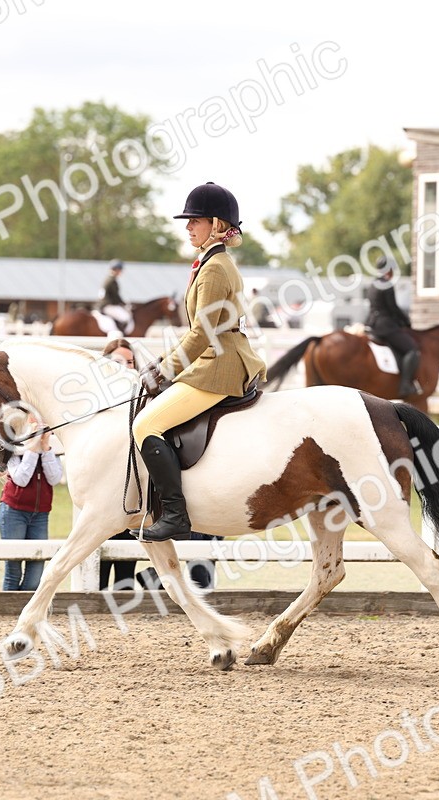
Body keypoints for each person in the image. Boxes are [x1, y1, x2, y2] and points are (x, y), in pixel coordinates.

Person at [132, 181, 266, 542]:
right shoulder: (211, 262)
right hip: (214, 358)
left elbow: (202, 334)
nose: (188, 226)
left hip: (218, 367)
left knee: (145, 425)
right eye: (188, 221)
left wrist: (165, 371)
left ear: (217, 224)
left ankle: (175, 513)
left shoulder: (215, 268)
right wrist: (161, 360)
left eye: (196, 220)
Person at [0, 417, 63, 591]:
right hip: (13, 512)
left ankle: (24, 611)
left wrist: (46, 446)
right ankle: (9, 612)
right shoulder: (13, 447)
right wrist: (33, 447)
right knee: (13, 570)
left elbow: (54, 478)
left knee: (36, 572)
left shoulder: (52, 449)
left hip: (40, 514)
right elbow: (21, 479)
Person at [99, 338, 140, 590]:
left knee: (127, 566)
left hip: (132, 488)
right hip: (104, 490)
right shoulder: (97, 402)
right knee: (99, 564)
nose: (125, 367)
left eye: (130, 362)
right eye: (118, 362)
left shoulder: (141, 397)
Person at [365, 256, 420, 398]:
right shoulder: (387, 284)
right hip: (385, 326)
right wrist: (405, 320)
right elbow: (393, 308)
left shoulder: (373, 284)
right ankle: (405, 385)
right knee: (411, 349)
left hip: (372, 323)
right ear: (388, 269)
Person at [100, 260, 132, 336]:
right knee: (126, 317)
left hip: (105, 304)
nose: (121, 272)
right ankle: (120, 336)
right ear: (117, 269)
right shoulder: (112, 281)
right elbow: (115, 296)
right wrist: (123, 304)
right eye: (120, 270)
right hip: (108, 305)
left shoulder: (108, 279)